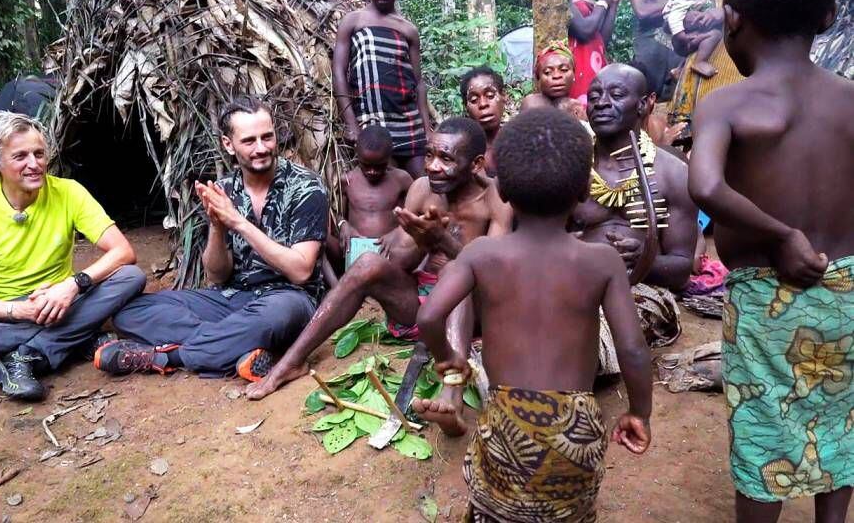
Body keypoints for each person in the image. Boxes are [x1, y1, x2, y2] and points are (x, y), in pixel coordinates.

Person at [413, 107, 653, 520]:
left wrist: (451, 365)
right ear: (583, 191)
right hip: (575, 431)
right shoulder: (602, 261)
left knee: (492, 505)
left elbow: (430, 317)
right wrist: (639, 412)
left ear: (502, 192)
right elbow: (632, 349)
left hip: (506, 424)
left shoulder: (481, 254)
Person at [688, 0, 853, 520]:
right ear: (828, 16)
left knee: (763, 433)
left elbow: (707, 185)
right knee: (840, 419)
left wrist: (781, 235)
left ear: (732, 18)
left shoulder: (727, 104)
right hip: (847, 290)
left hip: (766, 300)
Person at [246, 117, 514, 400]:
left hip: (472, 311)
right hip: (423, 309)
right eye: (429, 155)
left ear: (475, 164)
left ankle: (452, 395)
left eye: (446, 158)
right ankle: (289, 364)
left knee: (456, 272)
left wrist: (443, 241)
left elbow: (492, 278)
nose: (433, 166)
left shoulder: (495, 198)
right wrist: (422, 242)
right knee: (368, 264)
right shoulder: (422, 189)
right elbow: (401, 264)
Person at [96, 96, 327, 381]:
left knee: (275, 316)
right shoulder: (224, 189)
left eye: (267, 137)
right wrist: (217, 227)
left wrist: (238, 223)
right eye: (249, 141)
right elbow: (217, 277)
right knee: (130, 312)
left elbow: (302, 271)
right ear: (228, 145)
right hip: (231, 299)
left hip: (287, 298)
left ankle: (167, 356)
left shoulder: (306, 187)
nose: (261, 148)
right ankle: (236, 347)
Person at [0, 112, 144, 401]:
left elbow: (123, 251)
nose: (34, 164)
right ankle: (78, 337)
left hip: (63, 300)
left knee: (131, 276)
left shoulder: (68, 192)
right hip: (5, 311)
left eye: (39, 154)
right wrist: (18, 311)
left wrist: (71, 285)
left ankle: (24, 356)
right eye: (20, 156)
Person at [578, 64, 698, 374]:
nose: (602, 103)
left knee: (588, 333)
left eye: (616, 94)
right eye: (594, 96)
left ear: (645, 103)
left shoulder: (672, 173)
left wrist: (645, 260)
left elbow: (682, 268)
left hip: (642, 291)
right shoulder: (571, 168)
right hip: (574, 281)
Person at [333, 0, 432, 179]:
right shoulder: (353, 21)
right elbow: (339, 74)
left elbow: (418, 83)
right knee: (387, 187)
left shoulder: (408, 29)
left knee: (423, 182)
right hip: (373, 124)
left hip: (408, 122)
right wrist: (351, 125)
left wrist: (427, 128)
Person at [667, 0, 745, 135]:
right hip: (697, 76)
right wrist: (685, 21)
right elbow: (671, 33)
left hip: (738, 72)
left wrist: (724, 13)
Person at [328, 125, 412, 275]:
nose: (372, 171)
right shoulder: (347, 180)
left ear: (389, 156)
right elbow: (337, 214)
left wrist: (397, 233)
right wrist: (343, 225)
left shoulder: (402, 179)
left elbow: (414, 215)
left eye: (379, 166)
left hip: (389, 249)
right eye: (366, 165)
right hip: (356, 248)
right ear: (357, 153)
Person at [568, 0, 628, 106]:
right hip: (577, 71)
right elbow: (584, 30)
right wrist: (602, 2)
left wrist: (613, 2)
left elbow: (601, 39)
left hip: (594, 68)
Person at [628, 0, 686, 99]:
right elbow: (642, 11)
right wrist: (677, 3)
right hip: (650, 35)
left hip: (679, 32)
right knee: (646, 88)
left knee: (680, 88)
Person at [663, 0, 722, 78]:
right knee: (715, 35)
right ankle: (700, 62)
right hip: (684, 38)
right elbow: (673, 19)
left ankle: (679, 69)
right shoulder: (680, 1)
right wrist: (682, 37)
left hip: (693, 33)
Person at [460, 66, 507, 177]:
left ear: (504, 97)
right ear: (465, 106)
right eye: (474, 100)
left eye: (490, 96)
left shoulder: (519, 142)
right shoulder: (462, 151)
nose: (483, 104)